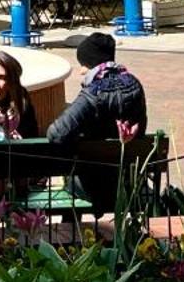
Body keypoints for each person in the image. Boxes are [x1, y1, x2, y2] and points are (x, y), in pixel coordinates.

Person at [45, 32, 148, 216]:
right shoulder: (135, 85)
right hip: (127, 181)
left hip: (91, 186)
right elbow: (141, 128)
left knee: (71, 180)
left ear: (90, 63)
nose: (81, 71)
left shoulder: (93, 93)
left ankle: (68, 241)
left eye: (83, 64)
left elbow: (56, 133)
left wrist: (76, 143)